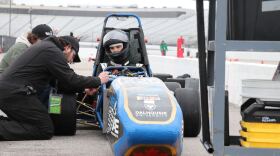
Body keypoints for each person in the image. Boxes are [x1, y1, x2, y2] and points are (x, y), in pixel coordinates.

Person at [0, 35, 109, 141]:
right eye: (73, 56)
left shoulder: (47, 48)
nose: (71, 61)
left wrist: (83, 89)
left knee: (31, 123)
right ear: (68, 48)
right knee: (44, 129)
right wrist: (97, 80)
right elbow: (71, 78)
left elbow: (59, 83)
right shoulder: (52, 51)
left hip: (12, 91)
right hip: (15, 93)